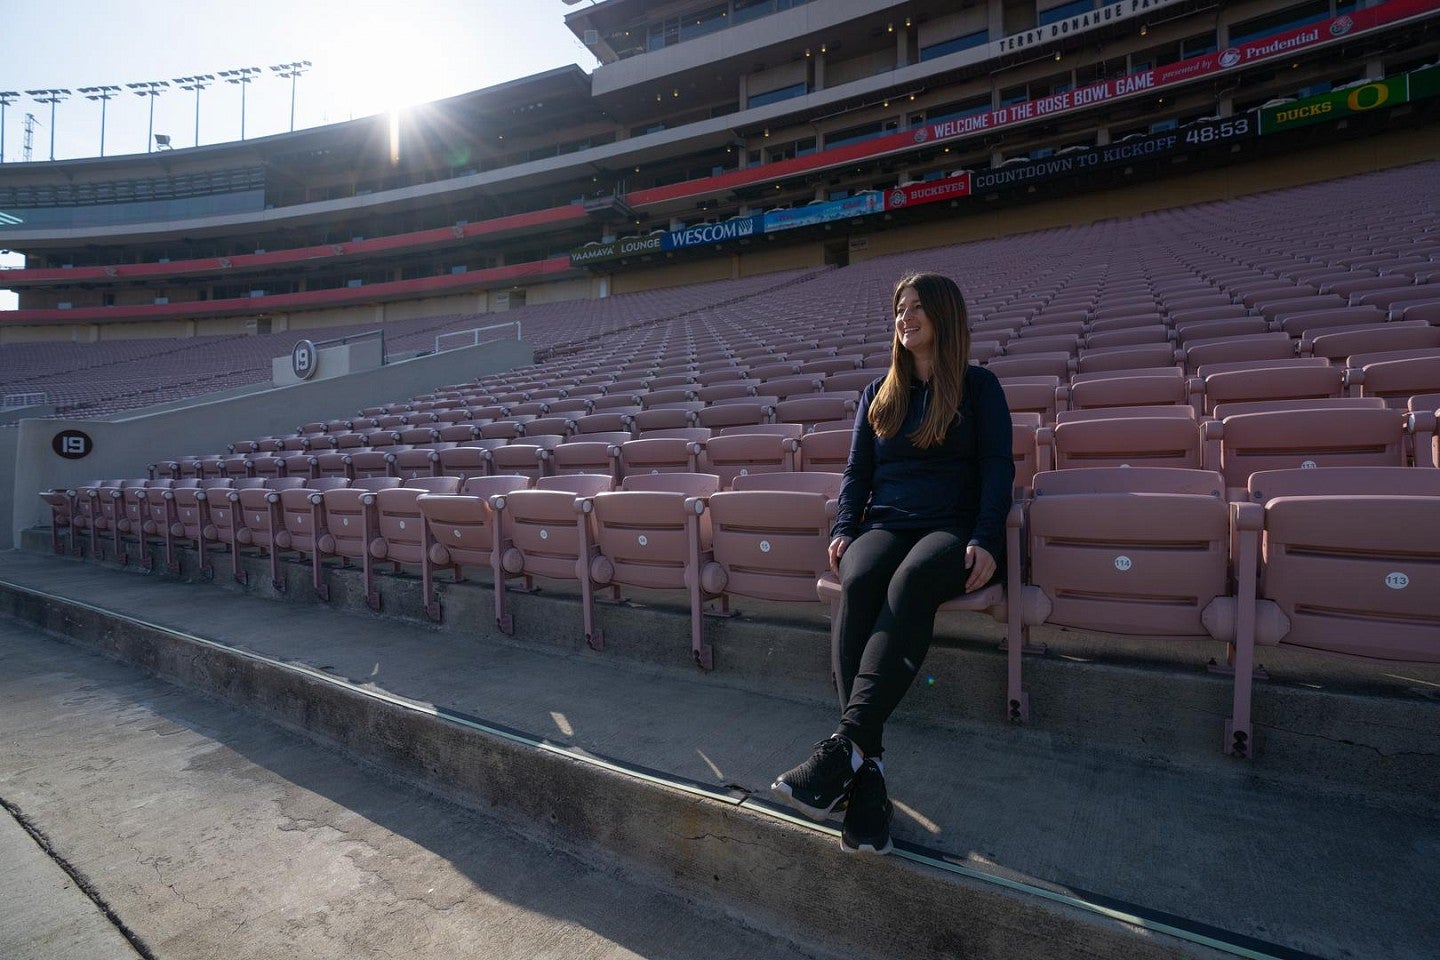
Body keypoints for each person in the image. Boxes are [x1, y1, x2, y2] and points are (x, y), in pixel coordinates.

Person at [770, 271, 1014, 854]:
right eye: (899, 309)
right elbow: (857, 475)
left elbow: (998, 468)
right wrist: (846, 527)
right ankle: (864, 765)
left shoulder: (980, 387)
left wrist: (985, 536)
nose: (904, 317)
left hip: (950, 529)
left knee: (909, 582)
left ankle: (844, 747)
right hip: (887, 523)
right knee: (857, 578)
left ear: (944, 317)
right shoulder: (879, 392)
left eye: (916, 308)